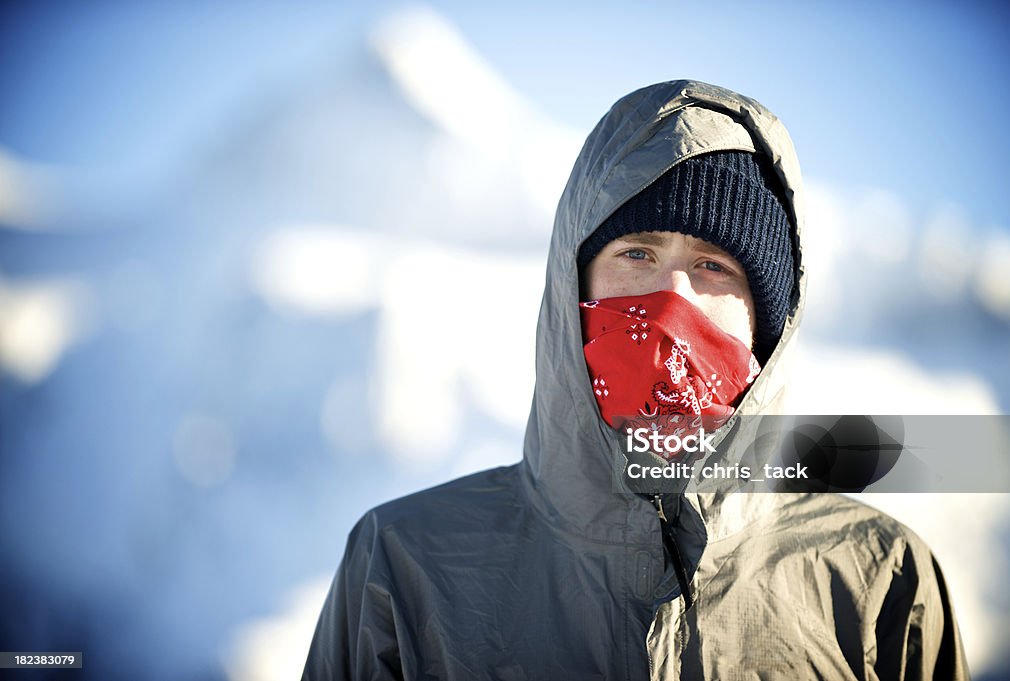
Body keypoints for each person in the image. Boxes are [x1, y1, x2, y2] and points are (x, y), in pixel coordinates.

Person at [302, 80, 969, 680]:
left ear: (766, 323)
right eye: (637, 253)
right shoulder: (405, 565)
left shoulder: (878, 579)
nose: (670, 298)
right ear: (574, 284)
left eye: (713, 266)